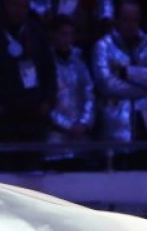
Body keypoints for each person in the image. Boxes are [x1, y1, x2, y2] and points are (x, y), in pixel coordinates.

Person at [0, 0, 56, 143]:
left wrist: (48, 100)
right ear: (4, 4)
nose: (20, 11)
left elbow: (49, 70)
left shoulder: (37, 31)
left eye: (24, 7)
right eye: (15, 5)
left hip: (33, 116)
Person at [90, 0, 147, 143]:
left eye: (135, 20)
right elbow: (106, 84)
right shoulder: (103, 46)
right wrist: (145, 89)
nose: (132, 25)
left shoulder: (145, 44)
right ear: (117, 20)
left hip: (145, 123)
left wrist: (127, 73)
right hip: (116, 125)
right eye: (127, 20)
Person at [47, 14, 95, 144]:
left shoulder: (79, 63)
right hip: (54, 136)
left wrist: (84, 122)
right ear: (53, 35)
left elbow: (89, 94)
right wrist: (67, 125)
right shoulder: (45, 63)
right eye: (63, 34)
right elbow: (44, 103)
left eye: (71, 35)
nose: (67, 39)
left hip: (81, 134)